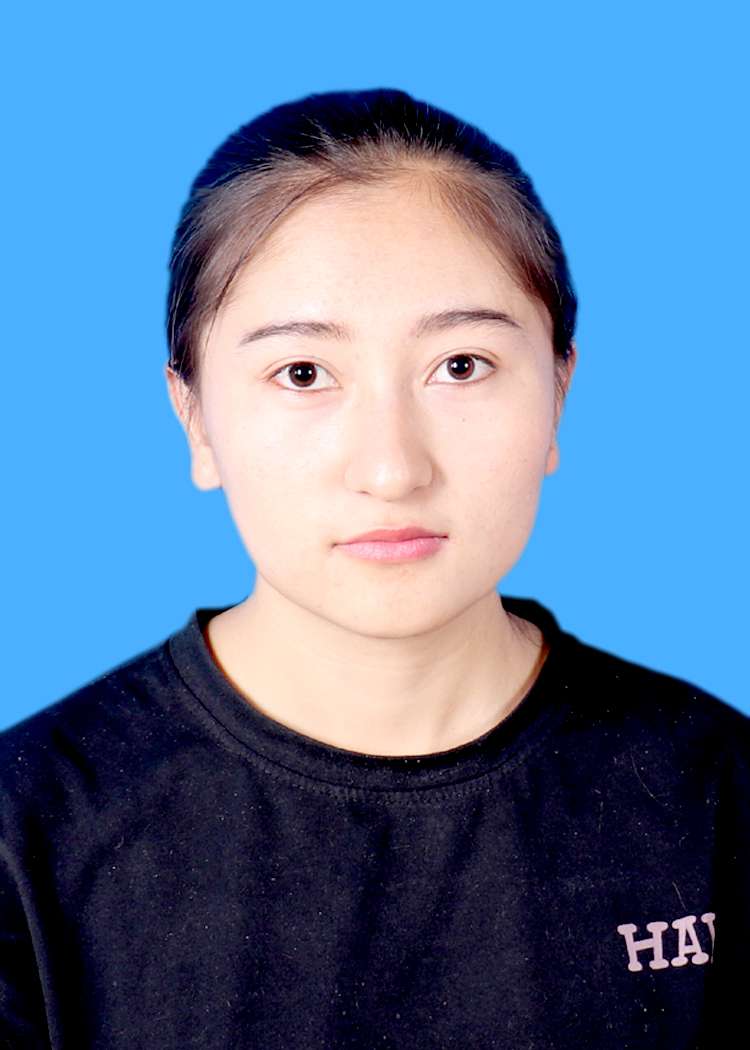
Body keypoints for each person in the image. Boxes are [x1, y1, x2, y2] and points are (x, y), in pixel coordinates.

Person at [0, 88, 747, 1049]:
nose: (393, 469)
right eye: (303, 374)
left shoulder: (720, 797)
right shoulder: (27, 839)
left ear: (560, 390)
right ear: (195, 418)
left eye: (462, 365)